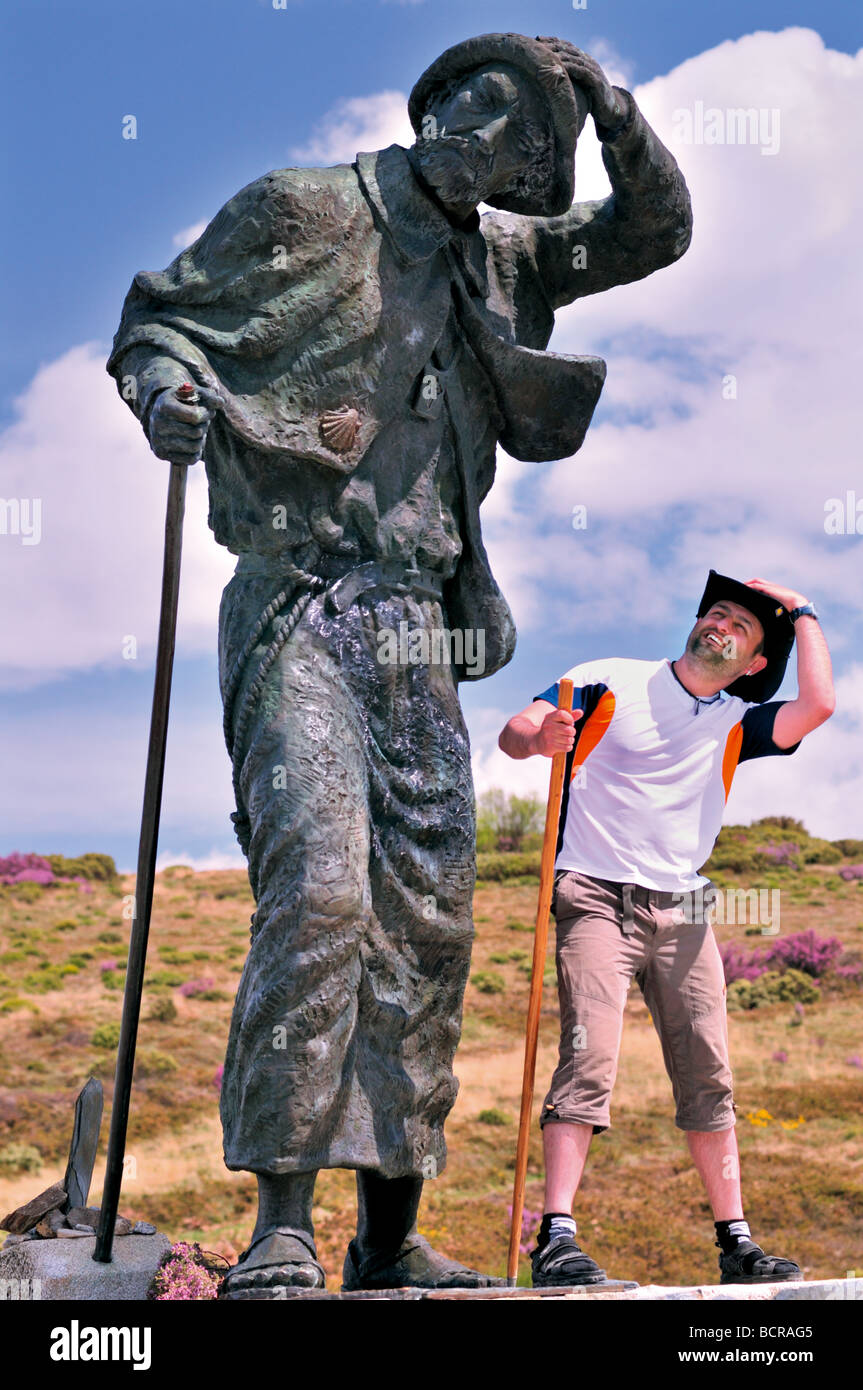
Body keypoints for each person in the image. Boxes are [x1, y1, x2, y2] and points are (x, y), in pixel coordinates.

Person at [107, 33, 693, 1294]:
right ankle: (282, 1221)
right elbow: (159, 320)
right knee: (319, 893)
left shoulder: (505, 260)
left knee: (425, 924)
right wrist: (167, 399)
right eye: (491, 109)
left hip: (419, 621)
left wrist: (613, 110)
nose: (503, 139)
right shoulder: (299, 209)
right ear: (437, 107)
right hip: (298, 596)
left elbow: (652, 233)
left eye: (532, 134)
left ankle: (389, 1233)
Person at [498, 571, 835, 1288]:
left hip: (683, 909)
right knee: (588, 1057)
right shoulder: (605, 678)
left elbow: (818, 704)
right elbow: (516, 729)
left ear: (750, 663)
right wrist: (539, 741)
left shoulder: (736, 723)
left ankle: (735, 1243)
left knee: (708, 1073)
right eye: (715, 612)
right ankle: (555, 1236)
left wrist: (801, 612)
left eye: (741, 627)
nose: (722, 622)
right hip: (592, 892)